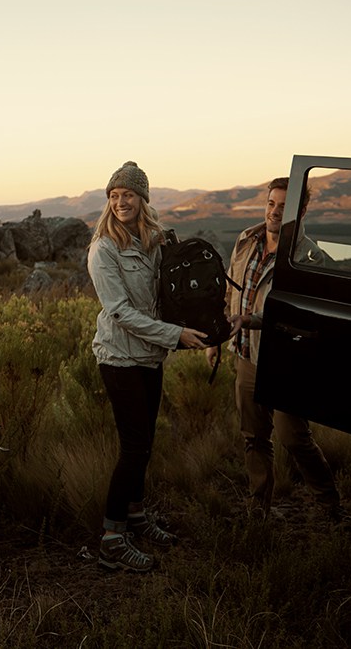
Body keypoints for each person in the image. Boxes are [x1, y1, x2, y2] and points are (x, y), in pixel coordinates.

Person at [205, 177, 349, 524]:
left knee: (294, 438)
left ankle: (330, 507)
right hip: (246, 356)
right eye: (271, 204)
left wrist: (251, 319)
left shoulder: (308, 256)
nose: (274, 212)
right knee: (253, 437)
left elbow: (302, 314)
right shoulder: (246, 240)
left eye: (283, 207)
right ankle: (259, 508)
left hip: (286, 362)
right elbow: (229, 292)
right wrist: (215, 337)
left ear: (301, 211)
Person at [88, 161, 208, 572]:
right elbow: (119, 311)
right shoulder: (103, 248)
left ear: (143, 200)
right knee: (133, 447)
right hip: (119, 358)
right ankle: (111, 538)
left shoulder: (152, 243)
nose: (121, 202)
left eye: (128, 195)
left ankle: (136, 516)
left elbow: (167, 295)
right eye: (114, 196)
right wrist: (176, 336)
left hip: (149, 358)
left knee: (146, 445)